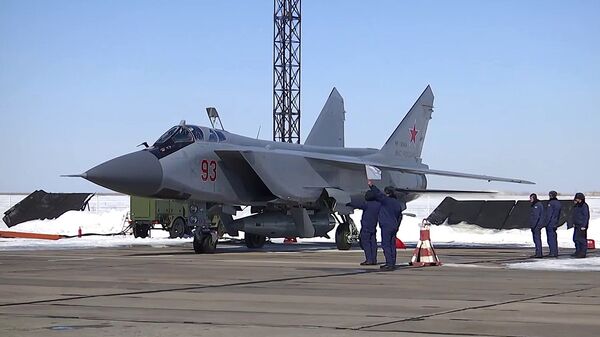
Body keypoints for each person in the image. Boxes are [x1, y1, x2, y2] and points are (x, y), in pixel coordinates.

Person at [368, 181, 404, 271]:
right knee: (392, 245)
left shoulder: (386, 201)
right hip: (394, 226)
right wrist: (397, 225)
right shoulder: (397, 204)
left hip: (386, 226)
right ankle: (392, 262)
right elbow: (400, 216)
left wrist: (372, 186)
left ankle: (389, 263)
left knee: (386, 245)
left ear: (387, 193)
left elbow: (378, 194)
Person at [347, 190, 381, 266]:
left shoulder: (367, 204)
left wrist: (349, 204)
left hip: (366, 227)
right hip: (373, 226)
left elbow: (358, 205)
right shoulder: (378, 205)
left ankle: (369, 260)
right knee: (373, 243)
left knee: (366, 243)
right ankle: (374, 259)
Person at [568, 192, 590, 258]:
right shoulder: (576, 206)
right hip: (577, 224)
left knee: (582, 240)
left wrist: (584, 225)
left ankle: (583, 253)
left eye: (578, 199)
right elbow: (574, 215)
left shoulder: (584, 206)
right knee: (576, 239)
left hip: (582, 225)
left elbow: (586, 216)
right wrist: (573, 223)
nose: (576, 200)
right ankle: (578, 251)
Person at [545, 190, 562, 257]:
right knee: (554, 238)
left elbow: (549, 214)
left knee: (550, 238)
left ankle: (552, 252)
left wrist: (546, 222)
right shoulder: (558, 203)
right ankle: (555, 251)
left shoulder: (551, 203)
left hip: (550, 223)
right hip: (555, 222)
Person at [529, 193, 545, 258]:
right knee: (536, 239)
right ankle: (538, 252)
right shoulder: (536, 205)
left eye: (531, 198)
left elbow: (536, 216)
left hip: (536, 225)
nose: (530, 200)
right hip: (537, 224)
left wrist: (533, 225)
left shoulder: (537, 205)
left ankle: (539, 253)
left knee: (537, 239)